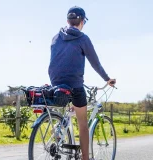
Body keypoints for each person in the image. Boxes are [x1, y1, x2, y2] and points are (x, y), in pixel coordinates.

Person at [49, 6, 116, 160]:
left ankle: (58, 132)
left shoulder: (55, 37)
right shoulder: (83, 39)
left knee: (68, 110)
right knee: (83, 124)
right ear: (82, 21)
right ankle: (85, 157)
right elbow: (95, 64)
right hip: (74, 85)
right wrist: (107, 79)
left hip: (56, 85)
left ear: (67, 20)